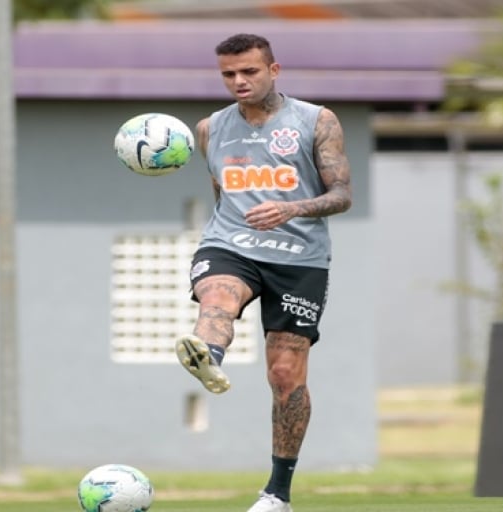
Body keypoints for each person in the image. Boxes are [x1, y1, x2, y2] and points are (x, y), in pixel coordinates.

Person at [174, 33, 352, 512]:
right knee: (218, 296)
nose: (239, 81)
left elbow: (342, 195)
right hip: (230, 242)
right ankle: (207, 352)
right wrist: (228, 235)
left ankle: (278, 493)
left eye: (248, 71)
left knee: (285, 375)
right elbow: (221, 196)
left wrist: (292, 208)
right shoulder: (210, 128)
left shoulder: (316, 120)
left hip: (299, 258)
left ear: (274, 70)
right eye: (229, 74)